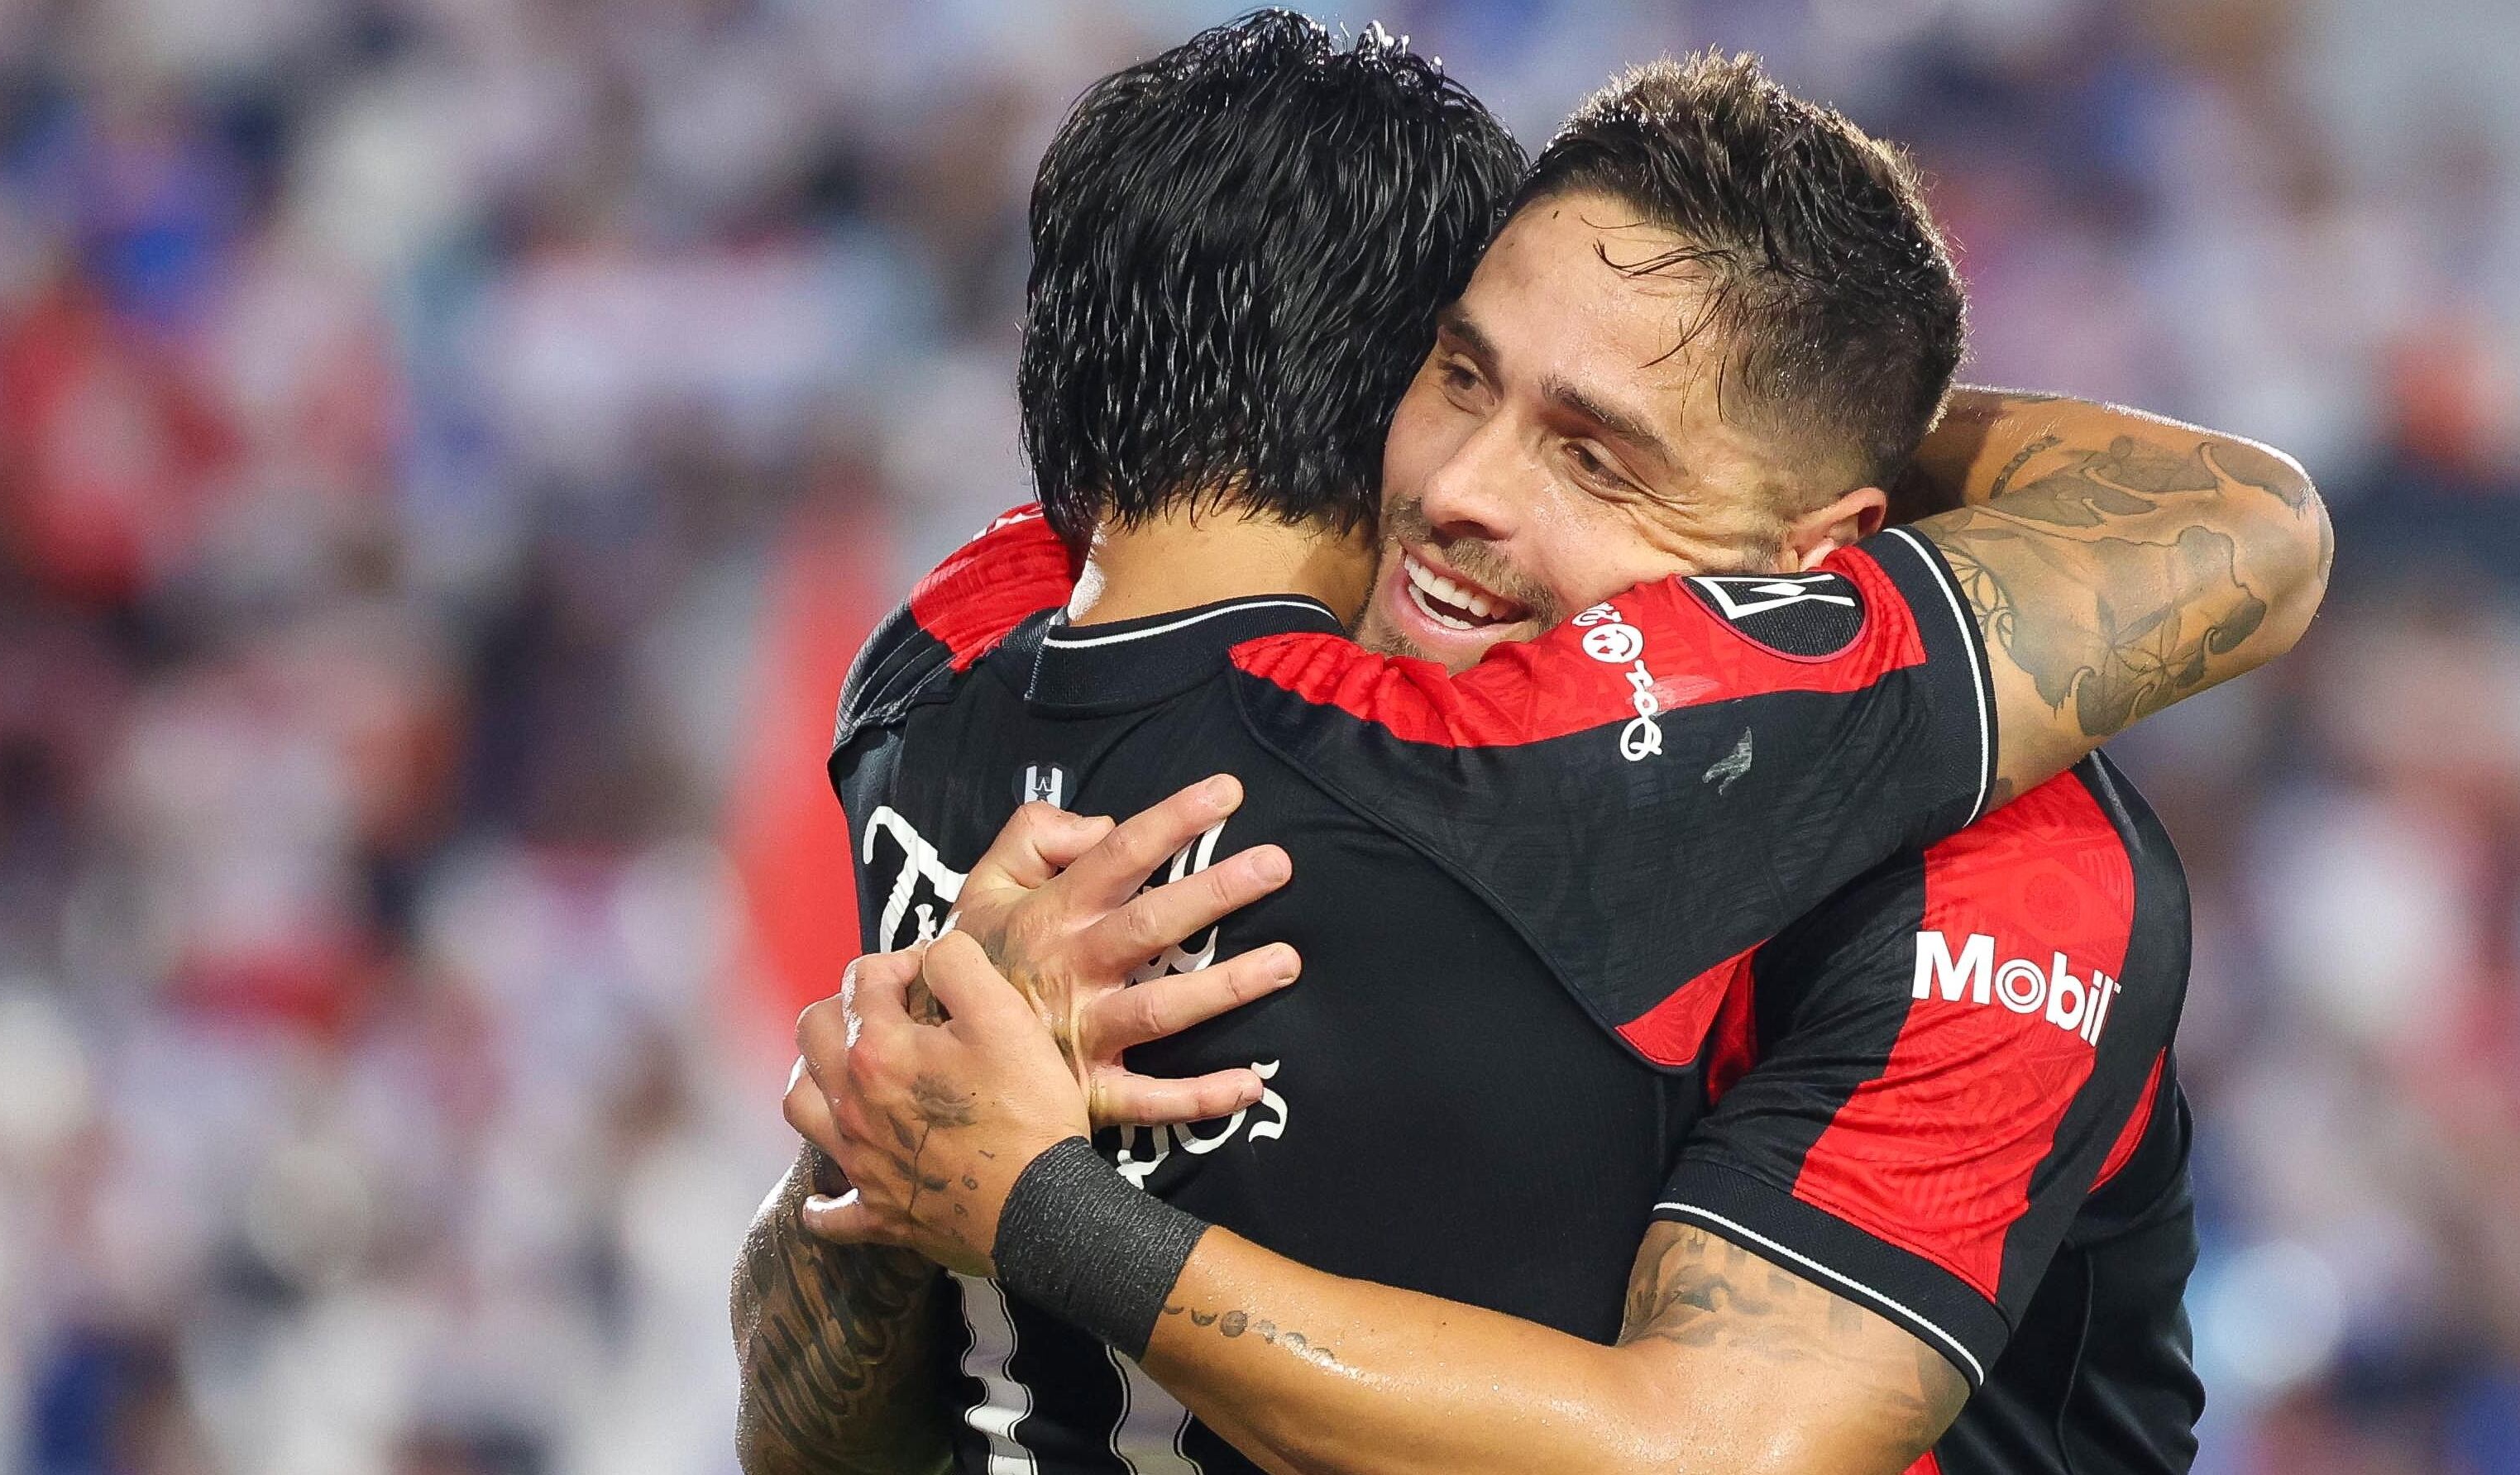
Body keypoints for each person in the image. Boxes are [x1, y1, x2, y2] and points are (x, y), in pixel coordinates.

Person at [743, 17, 2328, 1475]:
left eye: (1599, 458)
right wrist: (921, 1079)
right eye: (1458, 374)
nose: (1459, 490)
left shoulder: (2012, 878)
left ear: (1811, 558)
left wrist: (1039, 1208)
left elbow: (1719, 1452)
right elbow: (813, 1420)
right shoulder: (1152, 671)